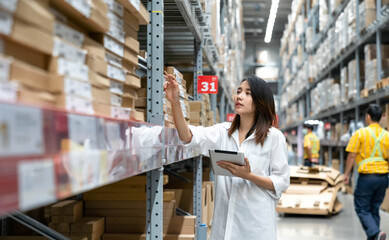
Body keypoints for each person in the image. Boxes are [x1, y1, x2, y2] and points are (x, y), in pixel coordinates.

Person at [164, 74, 290, 239]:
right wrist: (174, 102)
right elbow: (187, 136)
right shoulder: (223, 132)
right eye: (238, 91)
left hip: (255, 228)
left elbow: (281, 182)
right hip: (223, 229)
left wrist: (249, 176)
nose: (239, 96)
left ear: (261, 101)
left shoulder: (274, 137)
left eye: (247, 93)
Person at [344, 104, 389, 240]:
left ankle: (375, 233)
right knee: (374, 208)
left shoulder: (360, 133)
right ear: (381, 118)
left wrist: (346, 175)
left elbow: (352, 156)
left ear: (368, 116)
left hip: (367, 177)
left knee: (362, 208)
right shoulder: (387, 135)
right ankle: (375, 236)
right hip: (383, 178)